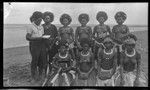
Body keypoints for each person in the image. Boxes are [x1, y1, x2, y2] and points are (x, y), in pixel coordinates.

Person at [26, 11, 47, 82]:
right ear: (34, 18)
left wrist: (46, 38)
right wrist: (38, 38)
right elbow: (28, 37)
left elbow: (42, 36)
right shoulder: (30, 26)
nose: (40, 21)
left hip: (41, 45)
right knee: (34, 61)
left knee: (41, 61)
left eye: (41, 20)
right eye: (38, 20)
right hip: (34, 45)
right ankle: (33, 77)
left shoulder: (41, 26)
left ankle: (40, 76)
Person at [42, 11, 58, 78]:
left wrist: (51, 45)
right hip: (43, 46)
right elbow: (41, 36)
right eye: (45, 18)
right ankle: (45, 72)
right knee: (44, 60)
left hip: (52, 46)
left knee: (51, 60)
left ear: (51, 19)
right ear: (43, 19)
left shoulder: (53, 27)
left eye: (48, 18)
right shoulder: (41, 26)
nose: (47, 19)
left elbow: (56, 37)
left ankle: (51, 71)